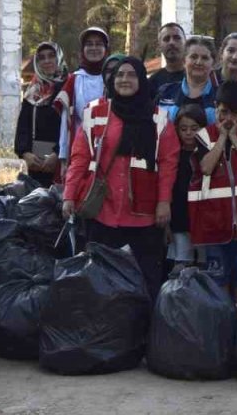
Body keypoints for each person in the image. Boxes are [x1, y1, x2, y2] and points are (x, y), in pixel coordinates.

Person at [61, 56, 168, 299]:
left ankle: (141, 333)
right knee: (100, 282)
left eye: (131, 74)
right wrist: (69, 195)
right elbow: (79, 157)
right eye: (119, 75)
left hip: (143, 214)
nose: (124, 79)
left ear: (141, 79)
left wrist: (164, 202)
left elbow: (168, 164)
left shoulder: (158, 118)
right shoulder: (95, 111)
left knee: (144, 281)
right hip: (103, 212)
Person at [193, 80, 237, 314]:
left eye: (235, 113)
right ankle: (224, 324)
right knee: (219, 279)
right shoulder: (205, 135)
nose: (228, 119)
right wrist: (222, 138)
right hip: (215, 221)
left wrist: (234, 138)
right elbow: (206, 167)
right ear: (215, 108)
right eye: (223, 112)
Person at [54, 27, 111, 185]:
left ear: (106, 49)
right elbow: (66, 124)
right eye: (89, 44)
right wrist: (64, 158)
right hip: (79, 152)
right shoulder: (74, 80)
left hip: (110, 151)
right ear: (82, 49)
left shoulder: (114, 78)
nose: (94, 48)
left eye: (99, 44)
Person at [158, 104, 205, 273]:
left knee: (203, 268)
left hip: (203, 223)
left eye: (194, 128)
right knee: (180, 269)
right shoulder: (173, 156)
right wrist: (167, 226)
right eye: (183, 128)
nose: (188, 133)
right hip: (178, 221)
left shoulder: (207, 155)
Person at [15, 41, 66, 187]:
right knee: (38, 204)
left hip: (62, 160)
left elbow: (73, 125)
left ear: (59, 58)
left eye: (51, 56)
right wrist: (25, 153)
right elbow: (23, 124)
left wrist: (58, 154)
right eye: (41, 58)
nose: (47, 61)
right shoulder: (33, 90)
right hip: (37, 163)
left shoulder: (69, 86)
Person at [156, 35, 219, 125]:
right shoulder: (166, 92)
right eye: (193, 57)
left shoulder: (220, 95)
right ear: (184, 61)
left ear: (213, 64)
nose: (198, 62)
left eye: (205, 58)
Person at [147, 22, 187, 91]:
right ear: (159, 46)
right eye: (166, 39)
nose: (171, 42)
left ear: (185, 43)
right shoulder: (152, 83)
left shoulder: (198, 78)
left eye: (177, 38)